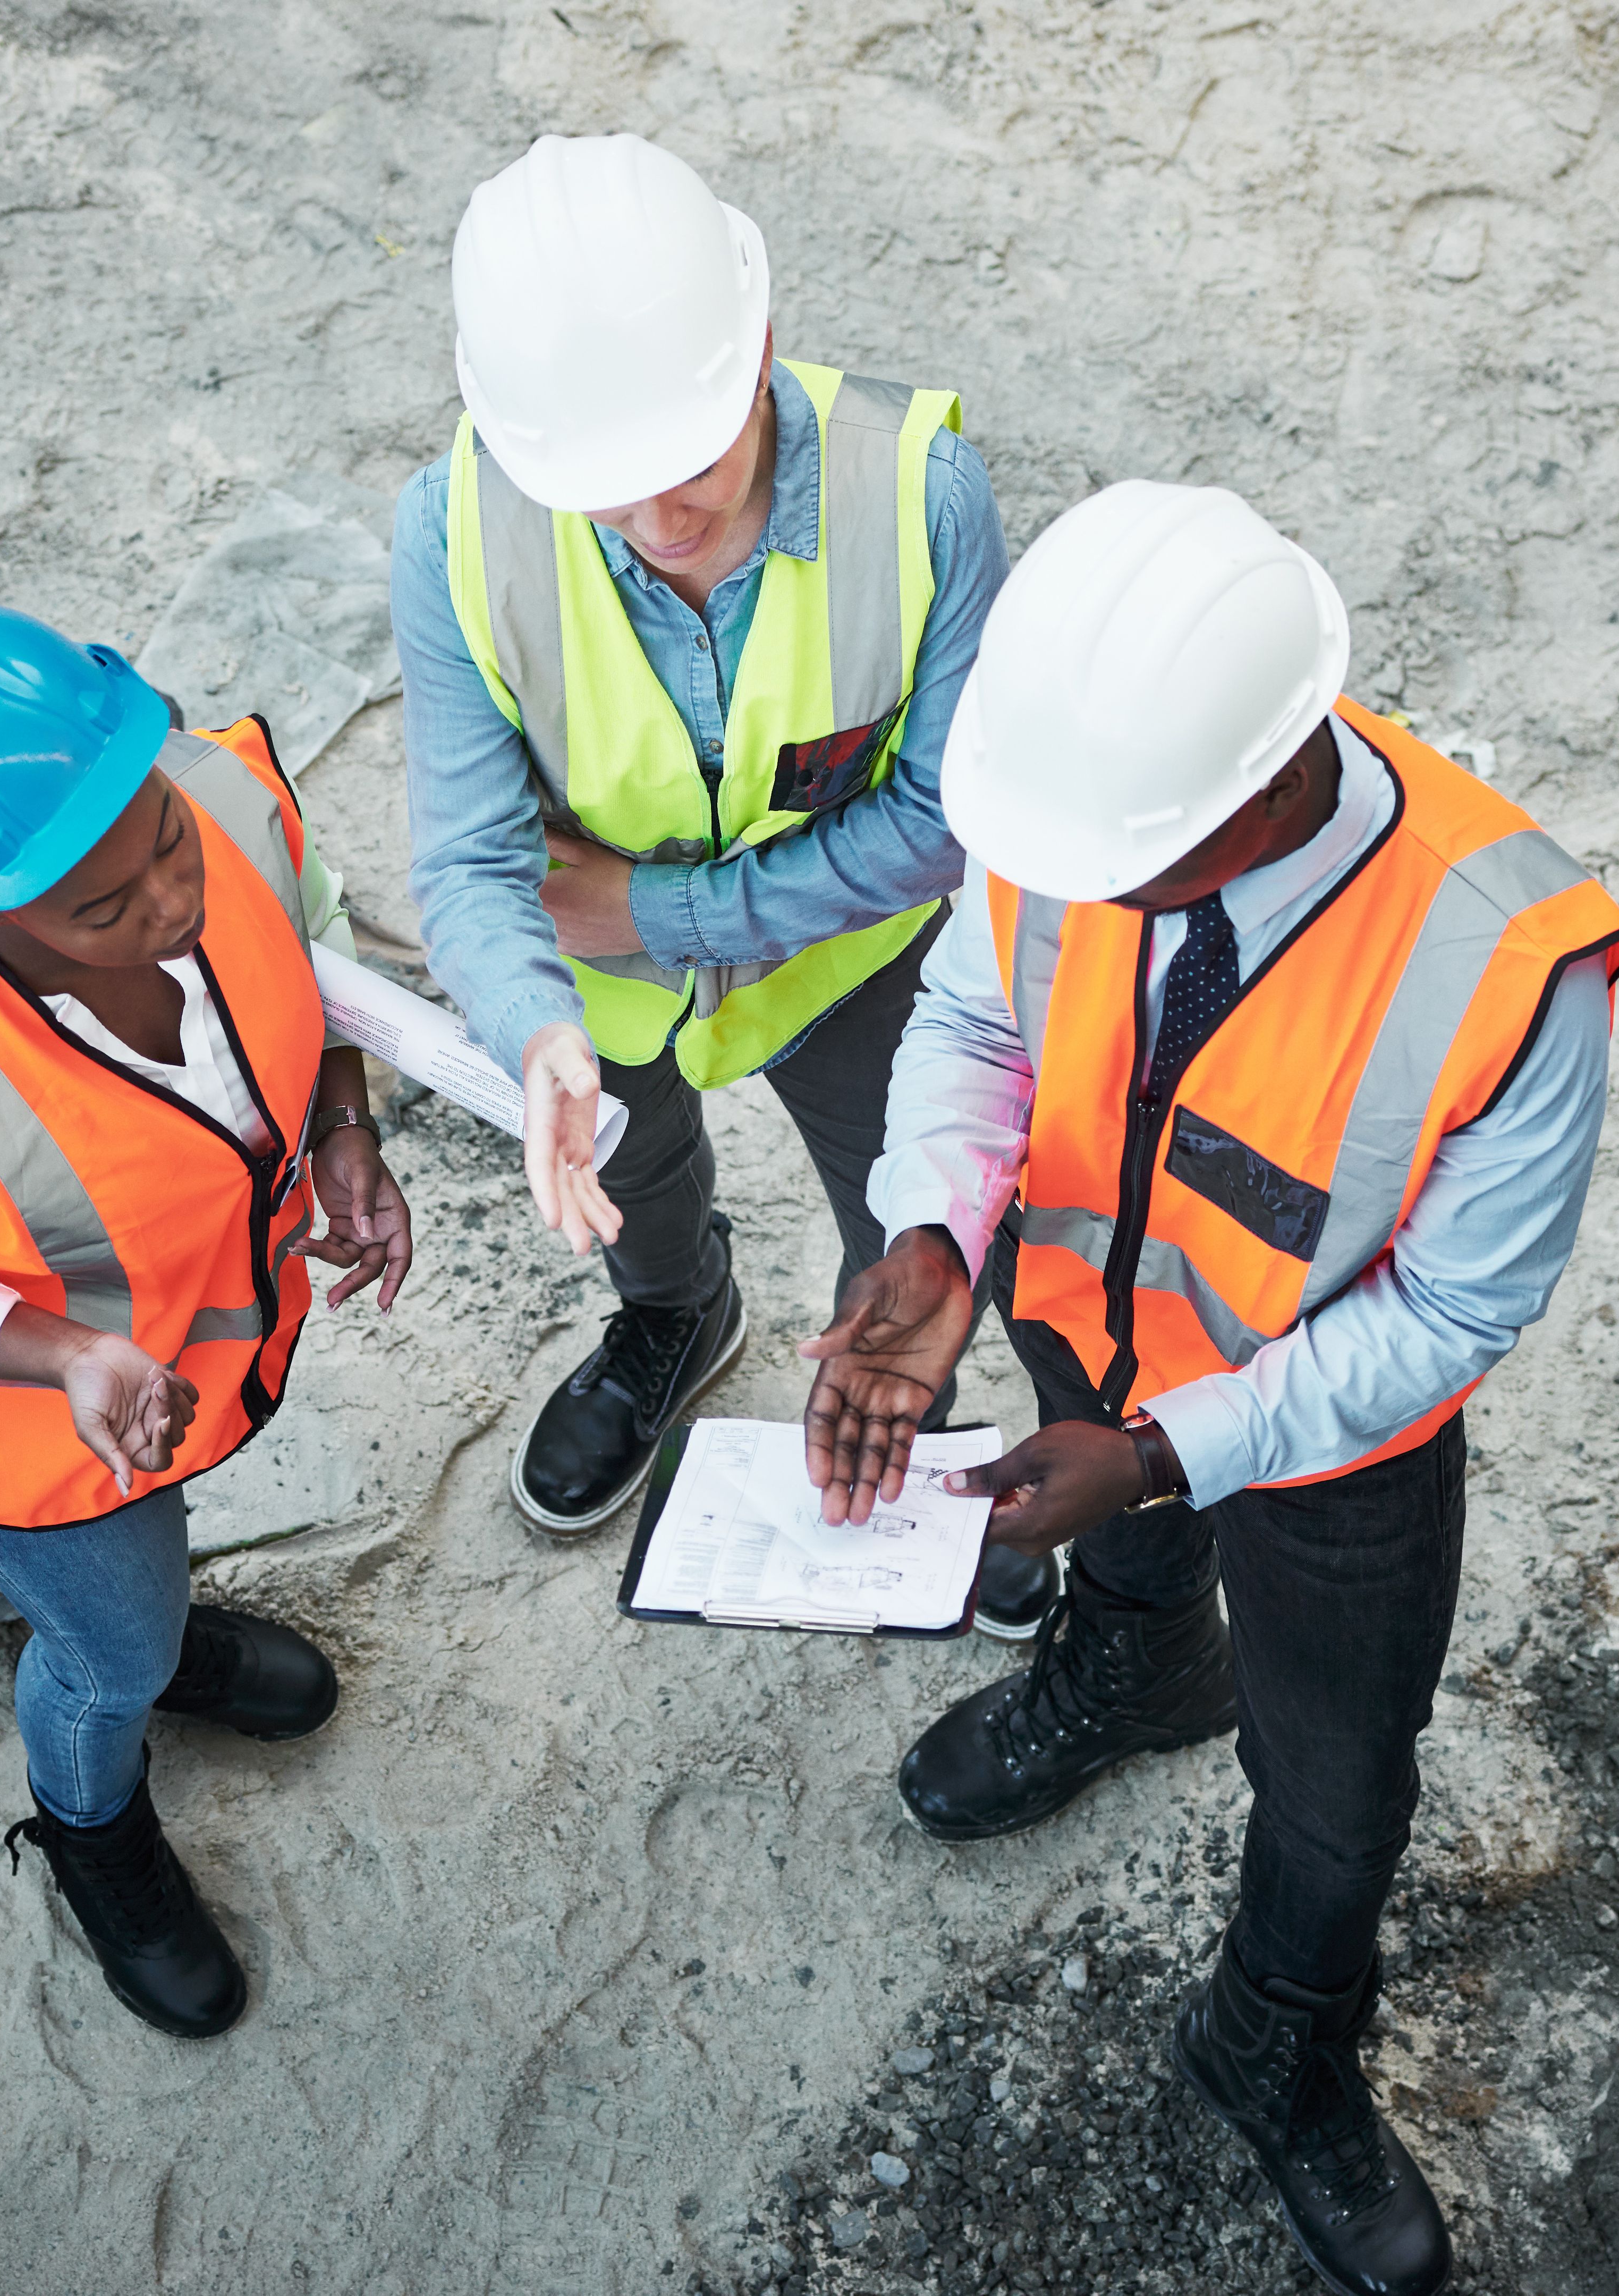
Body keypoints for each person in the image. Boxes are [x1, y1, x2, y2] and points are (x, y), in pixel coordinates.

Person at [798, 484, 1619, 2294]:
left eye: (1113, 869)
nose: (1061, 890)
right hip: (1079, 1326)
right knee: (1117, 1540)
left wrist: (1172, 1445)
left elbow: (1452, 1313)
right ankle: (1136, 1659)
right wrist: (933, 1237)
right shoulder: (1076, 805)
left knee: (1338, 1793)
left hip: (1337, 1461)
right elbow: (969, 1025)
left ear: (1253, 793)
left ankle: (1278, 2037)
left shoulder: (1507, 966)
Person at [394, 132, 1048, 1630]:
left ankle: (890, 1386)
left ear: (755, 346)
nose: (655, 524)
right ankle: (675, 1319)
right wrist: (531, 1029)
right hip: (598, 993)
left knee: (911, 1220)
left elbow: (951, 822)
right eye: (600, 495)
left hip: (852, 964)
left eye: (683, 468)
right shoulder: (448, 533)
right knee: (635, 1176)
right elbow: (467, 854)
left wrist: (656, 912)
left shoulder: (925, 496)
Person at [0, 607, 413, 2039]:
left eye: (165, 843)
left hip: (181, 1370)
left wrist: (348, 1129)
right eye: (105, 909)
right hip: (36, 1447)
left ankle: (160, 1640)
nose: (173, 900)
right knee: (101, 1654)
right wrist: (65, 1356)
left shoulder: (225, 795)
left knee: (146, 1586)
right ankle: (92, 1819)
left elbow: (309, 951)